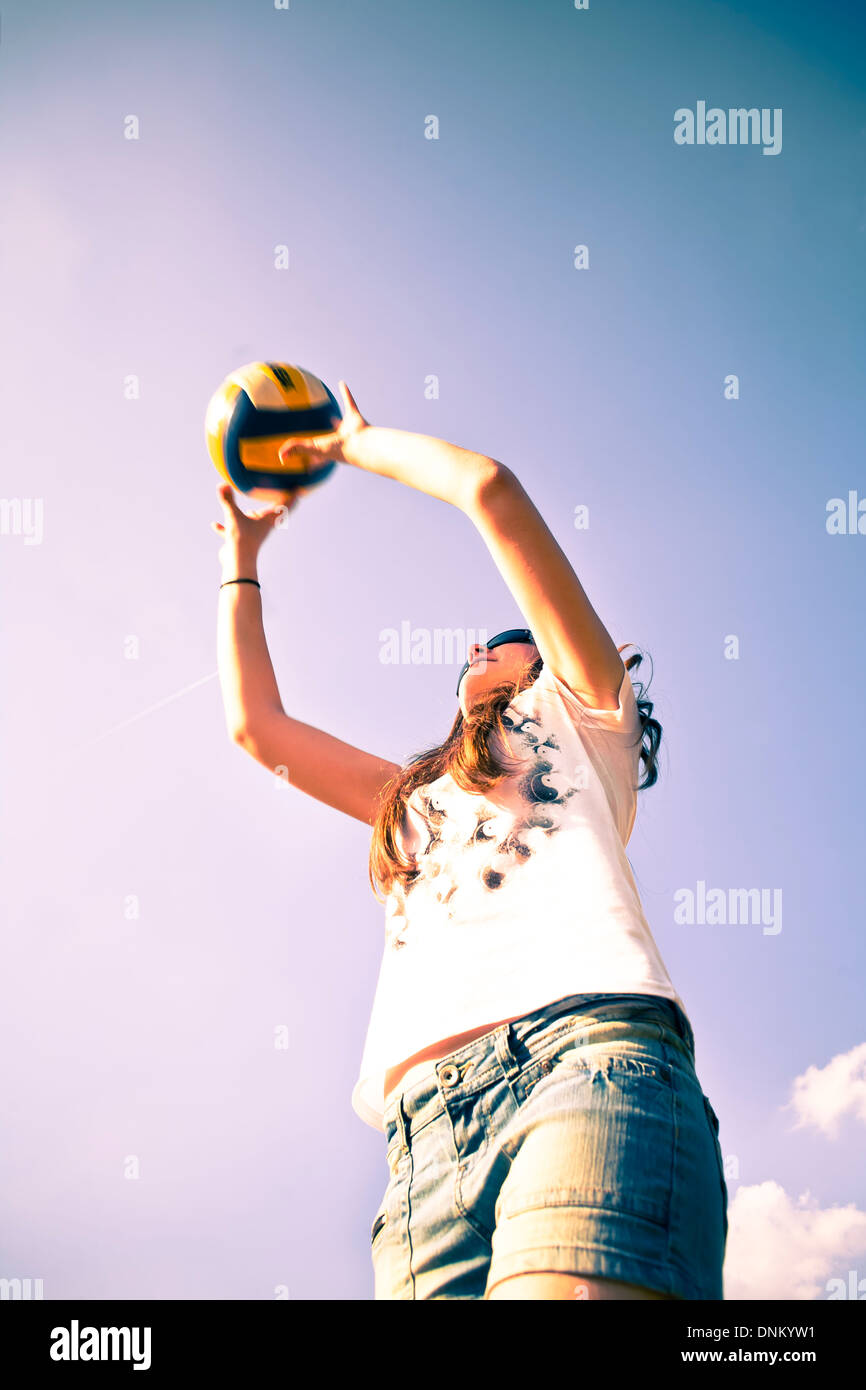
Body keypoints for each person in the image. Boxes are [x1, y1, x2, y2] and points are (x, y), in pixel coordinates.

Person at [211, 382, 729, 1301]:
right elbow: (258, 725)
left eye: (505, 643)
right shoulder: (408, 801)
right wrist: (242, 558)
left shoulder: (581, 720)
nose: (479, 653)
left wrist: (356, 442)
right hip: (422, 1151)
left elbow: (489, 488)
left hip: (581, 1063)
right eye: (472, 651)